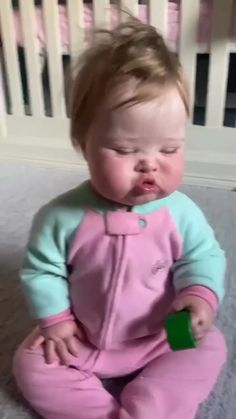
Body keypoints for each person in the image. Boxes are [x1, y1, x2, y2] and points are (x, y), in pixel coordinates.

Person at [13, 18, 226, 419]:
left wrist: (197, 298)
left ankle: (154, 407)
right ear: (84, 144)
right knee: (32, 363)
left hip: (162, 334)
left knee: (209, 345)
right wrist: (56, 321)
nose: (149, 166)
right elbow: (42, 271)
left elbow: (203, 258)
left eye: (169, 149)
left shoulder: (181, 213)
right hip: (84, 336)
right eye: (125, 149)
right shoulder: (60, 216)